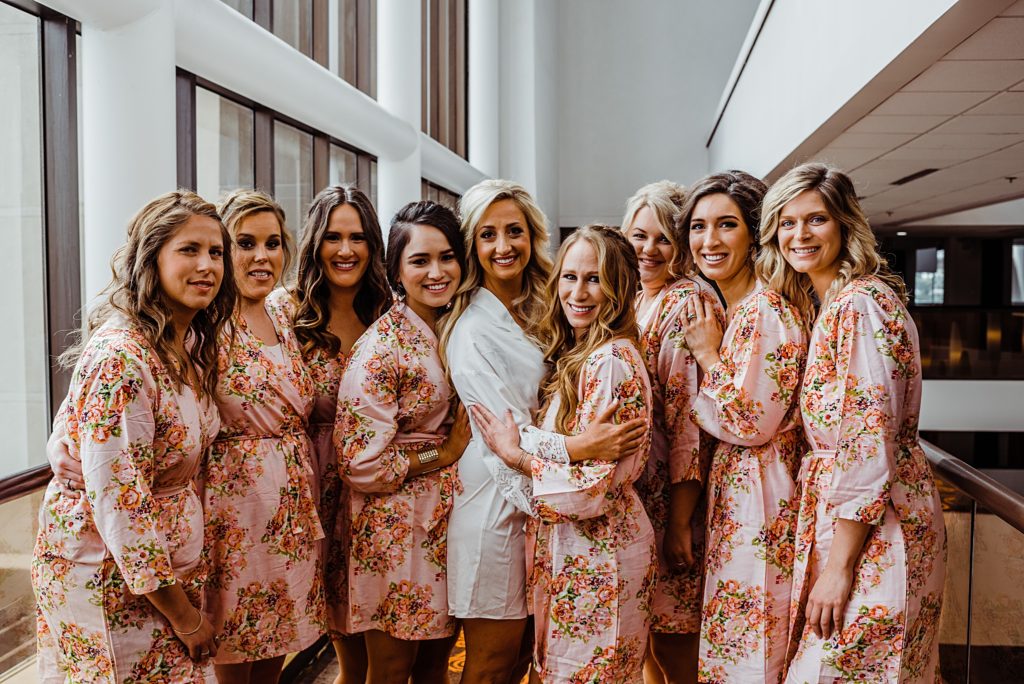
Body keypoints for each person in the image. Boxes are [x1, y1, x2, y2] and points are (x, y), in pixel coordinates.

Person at [440, 181, 647, 683]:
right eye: (487, 234)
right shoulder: (471, 329)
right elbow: (502, 434)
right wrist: (576, 447)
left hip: (560, 510)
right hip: (500, 493)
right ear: (472, 245)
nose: (503, 245)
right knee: (491, 661)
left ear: (533, 235)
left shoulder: (550, 304)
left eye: (514, 230)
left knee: (524, 662)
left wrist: (559, 458)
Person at [33, 191, 234, 682]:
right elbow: (120, 503)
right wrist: (185, 618)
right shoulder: (123, 357)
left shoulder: (185, 342)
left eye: (216, 252)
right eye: (189, 250)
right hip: (108, 575)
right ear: (152, 258)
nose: (207, 264)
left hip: (158, 575)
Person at [758, 163, 946, 683]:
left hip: (875, 531)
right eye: (787, 221)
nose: (799, 234)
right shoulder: (838, 303)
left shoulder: (859, 306)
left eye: (815, 219)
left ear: (844, 224)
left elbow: (867, 440)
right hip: (862, 519)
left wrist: (839, 568)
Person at [675, 171, 808, 684]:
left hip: (763, 487)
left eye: (726, 225)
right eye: (699, 227)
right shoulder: (732, 308)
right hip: (741, 487)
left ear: (755, 232)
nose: (709, 241)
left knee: (755, 636)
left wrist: (708, 355)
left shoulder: (764, 311)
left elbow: (751, 422)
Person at [335, 201, 472, 684]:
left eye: (447, 257)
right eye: (419, 261)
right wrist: (445, 452)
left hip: (446, 519)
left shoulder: (456, 325)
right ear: (394, 269)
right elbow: (360, 465)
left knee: (435, 665)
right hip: (394, 526)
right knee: (393, 670)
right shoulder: (381, 348)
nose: (437, 272)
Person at [204, 190, 325, 684]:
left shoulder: (282, 310)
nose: (262, 256)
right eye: (244, 243)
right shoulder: (205, 322)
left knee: (277, 655)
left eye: (273, 243)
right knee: (233, 658)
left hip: (291, 508)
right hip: (233, 514)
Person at [286, 185, 392, 684]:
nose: (345, 250)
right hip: (313, 487)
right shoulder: (284, 314)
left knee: (381, 640)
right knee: (340, 634)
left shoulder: (391, 311)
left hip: (379, 492)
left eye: (357, 237)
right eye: (332, 237)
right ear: (314, 244)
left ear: (373, 245)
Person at [621, 181, 721, 684]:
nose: (648, 250)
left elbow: (689, 421)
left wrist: (681, 520)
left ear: (681, 244)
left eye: (663, 238)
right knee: (650, 638)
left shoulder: (687, 301)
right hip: (642, 489)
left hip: (673, 495)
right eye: (639, 235)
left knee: (676, 642)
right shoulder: (640, 298)